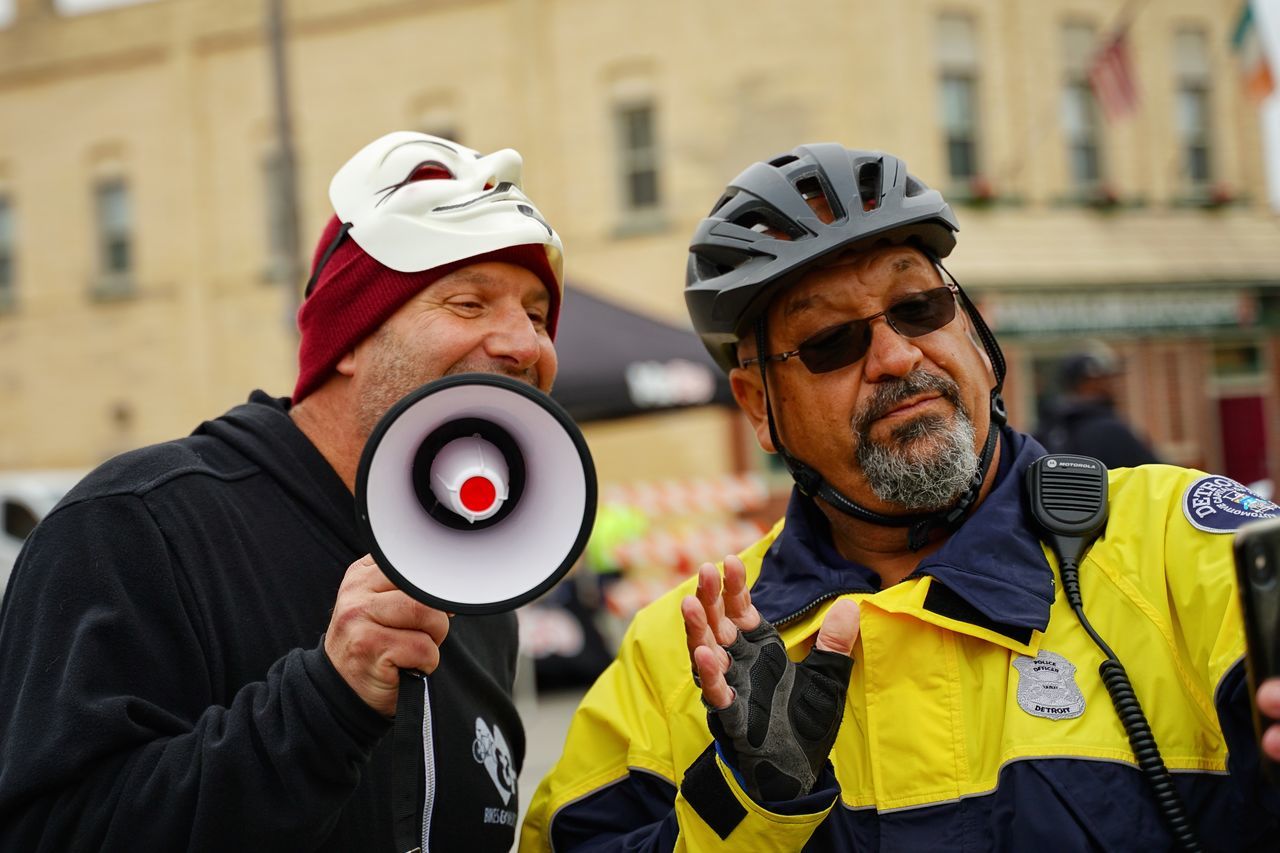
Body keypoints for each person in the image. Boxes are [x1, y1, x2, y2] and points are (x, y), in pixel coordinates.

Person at [521, 144, 1280, 850]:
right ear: (758, 407)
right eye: (830, 343)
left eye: (919, 307)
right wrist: (746, 805)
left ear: (977, 336)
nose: (895, 354)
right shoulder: (681, 652)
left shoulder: (1181, 544)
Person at [0, 130, 564, 851]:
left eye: (539, 314)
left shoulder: (479, 580)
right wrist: (327, 702)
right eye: (468, 303)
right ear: (350, 337)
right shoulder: (134, 529)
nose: (525, 343)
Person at [1035, 344, 1160, 468]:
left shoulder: (1046, 429)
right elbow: (1158, 476)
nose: (1114, 385)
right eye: (1107, 378)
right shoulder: (1111, 431)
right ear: (1088, 383)